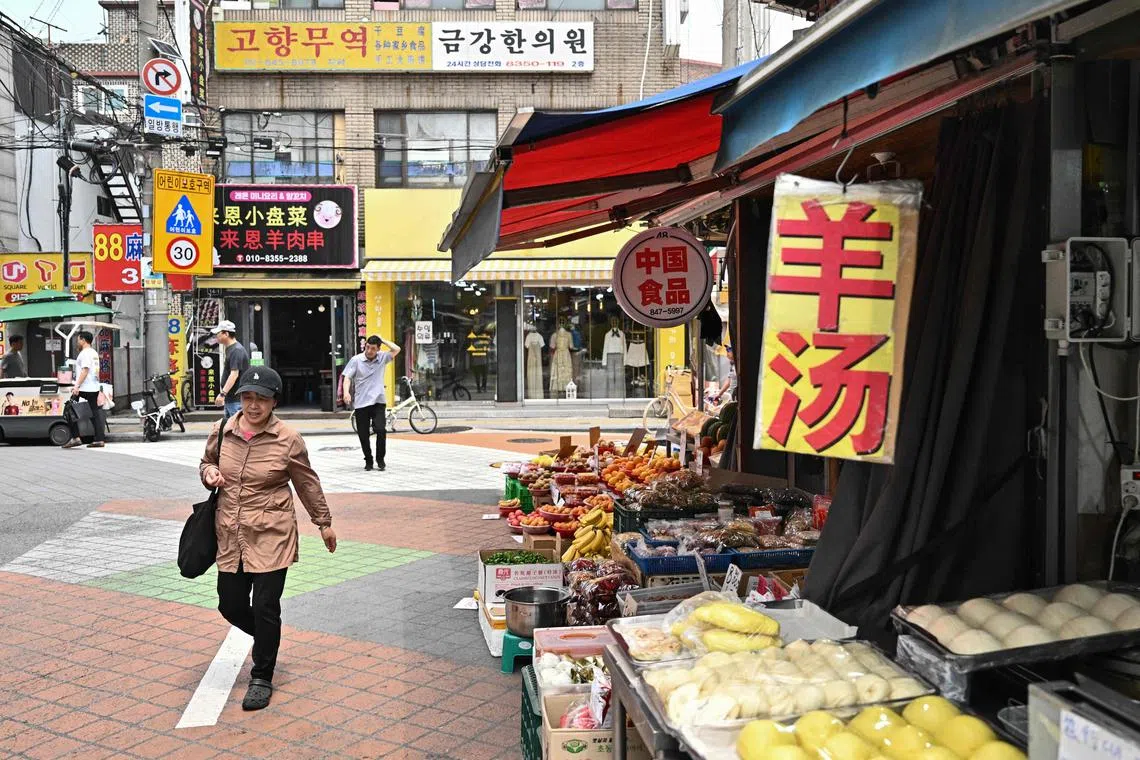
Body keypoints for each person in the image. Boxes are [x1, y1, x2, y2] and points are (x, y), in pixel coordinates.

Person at [199, 366, 336, 711]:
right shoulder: (223, 430)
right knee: (229, 604)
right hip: (230, 530)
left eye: (261, 399)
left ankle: (262, 674)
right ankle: (268, 636)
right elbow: (205, 464)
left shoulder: (287, 439)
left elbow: (307, 482)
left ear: (274, 402)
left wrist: (324, 522)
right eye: (247, 397)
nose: (253, 405)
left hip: (272, 531)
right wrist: (209, 473)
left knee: (264, 605)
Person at [341, 335, 400, 471]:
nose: (369, 351)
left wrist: (382, 340)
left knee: (380, 429)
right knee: (363, 434)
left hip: (378, 401)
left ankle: (380, 459)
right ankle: (368, 459)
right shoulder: (356, 360)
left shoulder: (382, 358)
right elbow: (347, 378)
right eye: (367, 347)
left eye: (373, 349)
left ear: (378, 349)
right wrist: (346, 392)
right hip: (361, 403)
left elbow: (397, 349)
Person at [62, 331, 107, 449]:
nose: (77, 342)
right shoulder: (94, 353)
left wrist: (77, 386)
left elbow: (85, 370)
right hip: (94, 387)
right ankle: (99, 439)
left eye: (78, 339)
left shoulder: (85, 353)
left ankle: (75, 437)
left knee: (68, 409)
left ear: (83, 340)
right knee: (94, 413)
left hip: (84, 387)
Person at [211, 320, 250, 421]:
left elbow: (234, 374)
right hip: (232, 399)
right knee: (231, 431)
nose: (216, 336)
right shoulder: (231, 349)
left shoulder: (236, 350)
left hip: (236, 399)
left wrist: (222, 394)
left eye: (218, 334)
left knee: (238, 430)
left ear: (226, 334)